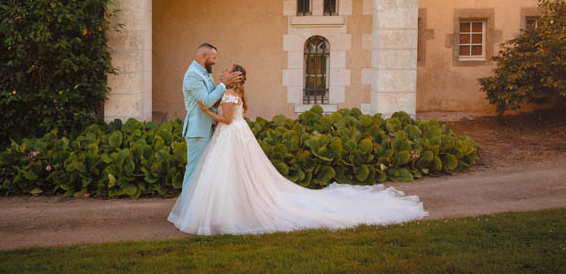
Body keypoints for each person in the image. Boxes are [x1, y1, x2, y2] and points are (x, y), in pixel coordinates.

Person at [168, 64, 428, 235]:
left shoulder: (229, 96)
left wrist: (205, 111)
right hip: (235, 135)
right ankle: (228, 208)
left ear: (235, 78)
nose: (223, 70)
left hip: (229, 135)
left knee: (229, 175)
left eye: (227, 70)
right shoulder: (233, 95)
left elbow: (226, 119)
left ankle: (227, 212)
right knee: (236, 175)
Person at [180, 43, 245, 191]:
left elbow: (214, 98)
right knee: (194, 172)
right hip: (198, 131)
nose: (215, 61)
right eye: (214, 58)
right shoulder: (193, 75)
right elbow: (207, 101)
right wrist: (223, 83)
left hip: (209, 129)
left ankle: (199, 210)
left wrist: (229, 86)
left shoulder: (204, 72)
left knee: (204, 173)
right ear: (204, 56)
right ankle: (186, 211)